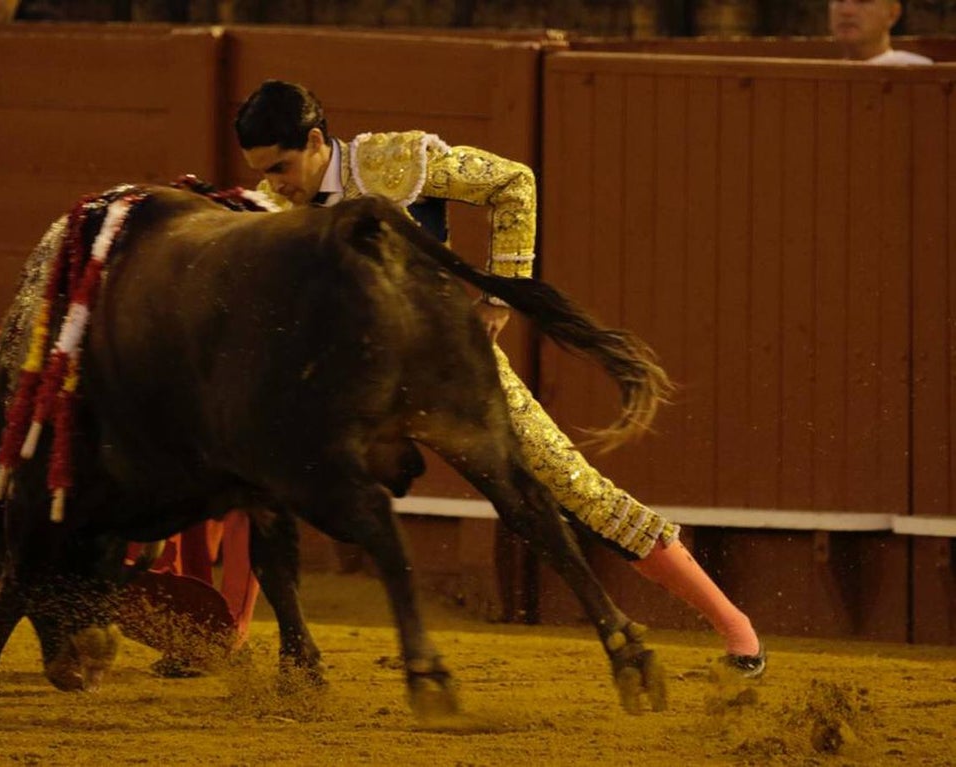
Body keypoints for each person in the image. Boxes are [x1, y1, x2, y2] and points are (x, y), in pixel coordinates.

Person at [234, 79, 767, 678]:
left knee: (576, 489)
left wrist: (497, 293)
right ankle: (226, 635)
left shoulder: (392, 162)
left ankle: (735, 628)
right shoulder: (271, 207)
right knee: (250, 470)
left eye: (280, 167)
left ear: (314, 140)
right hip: (351, 391)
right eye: (263, 172)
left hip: (450, 371)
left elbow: (513, 183)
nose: (274, 183)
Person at [829, 0, 933, 64]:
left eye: (863, 0)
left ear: (892, 13)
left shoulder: (917, 75)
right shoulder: (821, 77)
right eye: (839, 0)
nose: (846, 11)